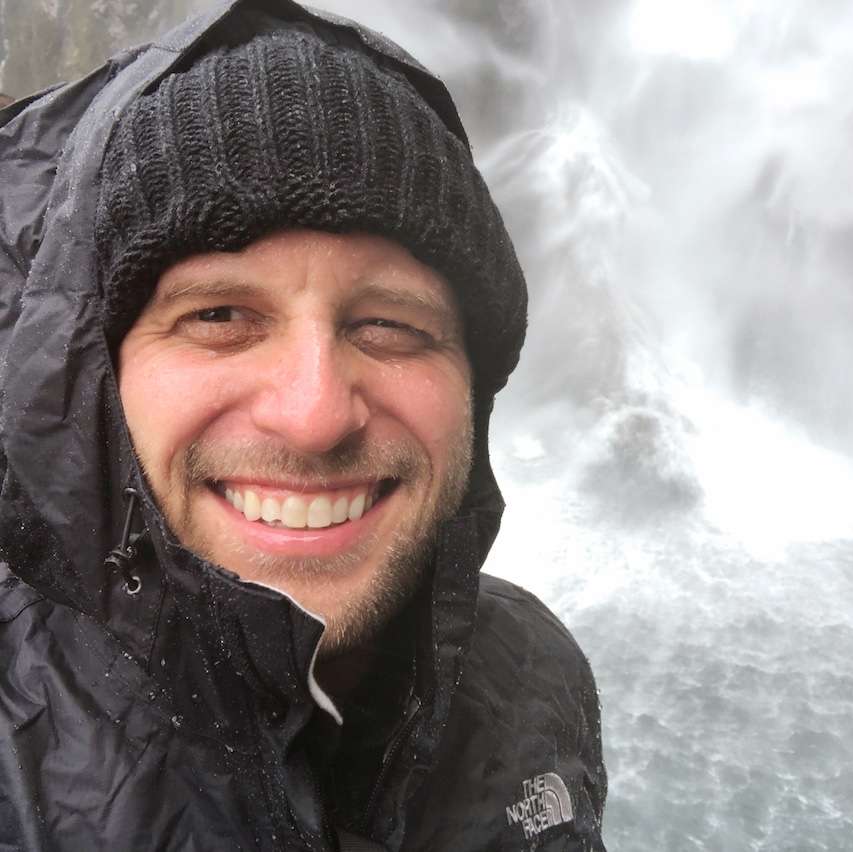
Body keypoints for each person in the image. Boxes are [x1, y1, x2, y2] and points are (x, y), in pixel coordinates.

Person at [0, 1, 606, 850]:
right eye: (217, 315)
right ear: (91, 376)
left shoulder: (534, 670)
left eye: (390, 325)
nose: (315, 415)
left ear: (475, 377)